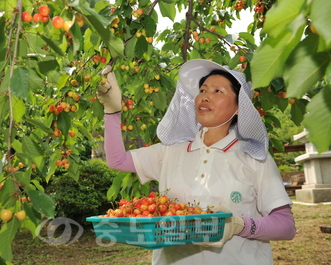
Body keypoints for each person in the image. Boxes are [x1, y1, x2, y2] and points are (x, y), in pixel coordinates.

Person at [97, 59, 296, 264]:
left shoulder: (254, 157)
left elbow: (286, 225)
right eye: (202, 90)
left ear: (239, 107)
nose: (205, 97)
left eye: (218, 91)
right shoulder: (171, 151)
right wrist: (112, 111)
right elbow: (117, 160)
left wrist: (240, 225)